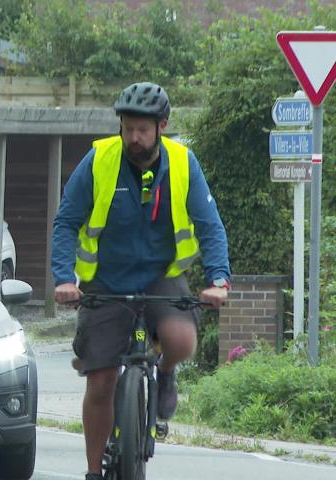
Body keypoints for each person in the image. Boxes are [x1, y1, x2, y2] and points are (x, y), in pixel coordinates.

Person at [50, 82, 230, 480]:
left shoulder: (184, 163)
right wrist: (64, 278)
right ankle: (94, 471)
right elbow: (66, 222)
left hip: (161, 277)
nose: (133, 137)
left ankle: (164, 374)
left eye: (142, 130)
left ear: (161, 126)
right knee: (100, 381)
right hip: (105, 282)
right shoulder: (99, 160)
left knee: (181, 340)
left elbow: (209, 226)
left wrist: (219, 279)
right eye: (127, 128)